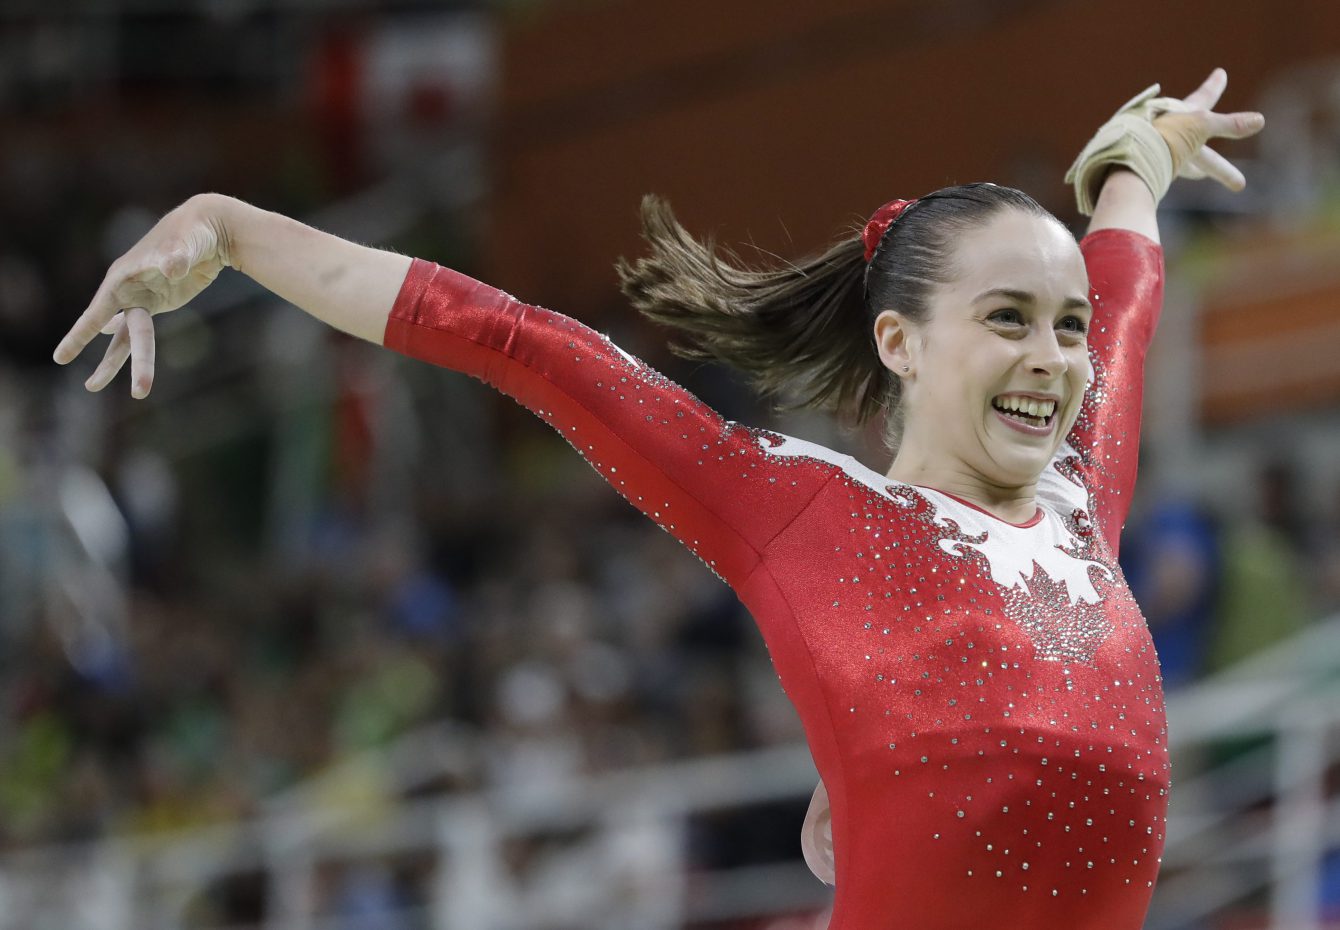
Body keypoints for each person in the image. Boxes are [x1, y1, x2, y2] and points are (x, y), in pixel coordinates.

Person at [54, 69, 1264, 929]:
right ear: (898, 343)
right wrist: (227, 228)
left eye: (1058, 331)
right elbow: (515, 342)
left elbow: (1123, 290)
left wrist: (1138, 154)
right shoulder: (790, 504)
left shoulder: (1080, 507)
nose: (1054, 357)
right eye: (1005, 319)